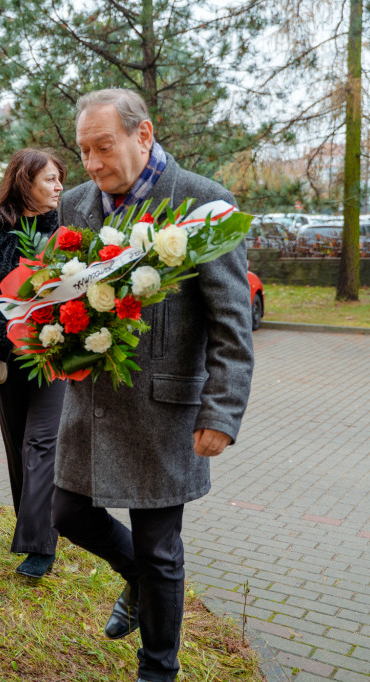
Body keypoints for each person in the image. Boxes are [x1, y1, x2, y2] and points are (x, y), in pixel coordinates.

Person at [51, 89, 254, 681]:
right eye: (84, 149)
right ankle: (136, 577)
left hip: (164, 409)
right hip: (92, 405)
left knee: (162, 550)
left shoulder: (203, 203)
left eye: (102, 147)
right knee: (66, 513)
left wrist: (221, 412)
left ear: (143, 135)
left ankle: (157, 670)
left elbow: (230, 322)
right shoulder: (76, 205)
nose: (91, 163)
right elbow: (61, 289)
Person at [0, 148, 67, 579]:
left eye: (60, 178)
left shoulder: (65, 226)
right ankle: (33, 526)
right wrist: (6, 343)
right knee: (19, 445)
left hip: (55, 356)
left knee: (42, 443)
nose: (59, 186)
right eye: (50, 179)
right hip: (9, 355)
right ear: (25, 181)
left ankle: (40, 546)